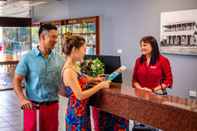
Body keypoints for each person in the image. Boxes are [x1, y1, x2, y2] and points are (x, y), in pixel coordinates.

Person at [13, 23, 64, 131]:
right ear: (42, 37)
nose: (56, 40)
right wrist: (22, 100)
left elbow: (70, 75)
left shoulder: (59, 59)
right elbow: (16, 80)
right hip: (32, 106)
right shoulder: (27, 58)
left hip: (52, 106)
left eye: (56, 37)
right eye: (53, 37)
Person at [61, 35, 111, 130]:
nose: (85, 52)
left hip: (83, 111)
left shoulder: (74, 65)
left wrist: (95, 79)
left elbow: (81, 78)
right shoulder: (69, 71)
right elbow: (80, 95)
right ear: (75, 49)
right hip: (76, 114)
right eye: (84, 49)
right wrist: (100, 86)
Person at [132, 36, 173, 130]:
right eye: (141, 45)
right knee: (141, 122)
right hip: (141, 94)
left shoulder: (163, 60)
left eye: (145, 45)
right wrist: (141, 89)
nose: (142, 47)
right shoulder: (138, 61)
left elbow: (168, 81)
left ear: (153, 46)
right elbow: (134, 80)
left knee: (155, 123)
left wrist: (152, 90)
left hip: (157, 95)